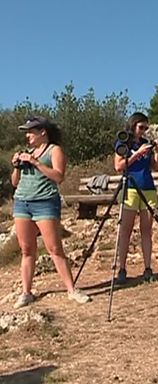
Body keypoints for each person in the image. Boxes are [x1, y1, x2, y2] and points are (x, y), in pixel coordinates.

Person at [11, 116, 90, 308]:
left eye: (31, 131)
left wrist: (36, 163)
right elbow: (15, 183)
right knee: (27, 250)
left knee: (54, 249)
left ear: (42, 132)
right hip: (22, 203)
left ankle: (72, 290)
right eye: (26, 132)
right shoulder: (27, 152)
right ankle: (26, 292)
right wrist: (16, 166)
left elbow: (59, 176)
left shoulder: (54, 150)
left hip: (45, 203)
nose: (27, 135)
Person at [113, 112, 158, 284]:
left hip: (148, 188)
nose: (143, 131)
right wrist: (136, 154)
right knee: (125, 230)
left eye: (146, 128)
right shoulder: (124, 142)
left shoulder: (145, 143)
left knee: (146, 230)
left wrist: (156, 153)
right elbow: (118, 166)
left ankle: (148, 268)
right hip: (131, 188)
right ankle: (122, 268)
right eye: (141, 127)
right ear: (133, 126)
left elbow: (155, 167)